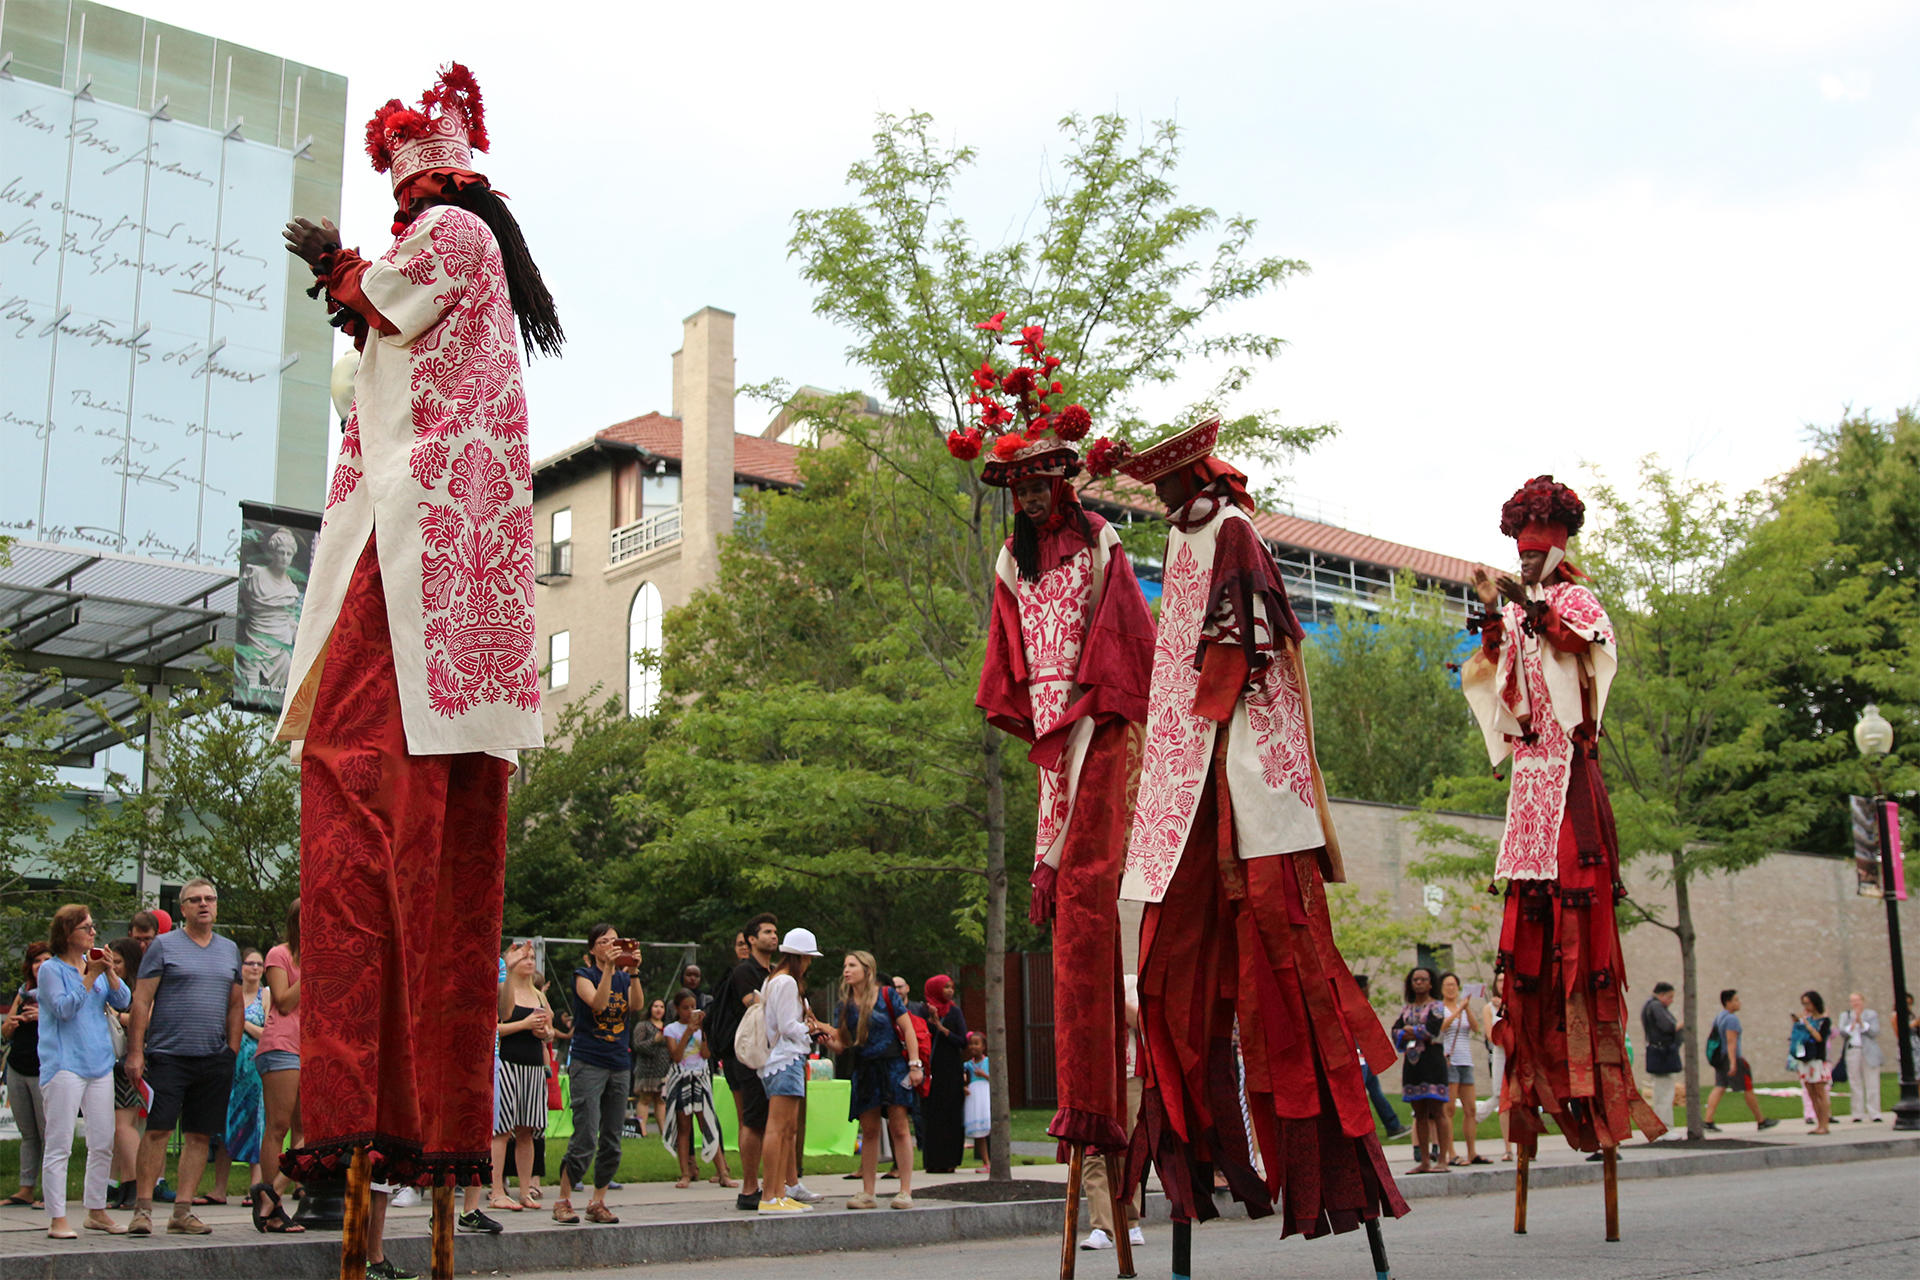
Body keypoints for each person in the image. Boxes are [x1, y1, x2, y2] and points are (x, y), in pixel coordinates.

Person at [278, 62, 560, 1280]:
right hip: (420, 577)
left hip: (422, 579)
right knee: (402, 869)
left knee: (379, 846)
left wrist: (341, 267)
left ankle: (386, 1157)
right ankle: (392, 1165)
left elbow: (383, 303)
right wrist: (350, 293)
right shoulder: (467, 257)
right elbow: (381, 332)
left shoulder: (448, 235)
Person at [1094, 417, 1407, 1240]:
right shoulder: (1185, 542)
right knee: (1176, 967)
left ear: (1193, 479)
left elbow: (1241, 644)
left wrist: (1206, 714)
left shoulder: (1231, 533)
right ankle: (1201, 1161)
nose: (1159, 500)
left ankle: (1323, 1170)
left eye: (1165, 486)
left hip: (1236, 762)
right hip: (1188, 764)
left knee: (1280, 941)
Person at [969, 386, 1155, 1167]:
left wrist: (1093, 697)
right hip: (1048, 719)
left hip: (1095, 706)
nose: (1033, 495)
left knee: (1094, 856)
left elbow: (1124, 627)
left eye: (1043, 482)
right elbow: (1008, 636)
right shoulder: (1013, 557)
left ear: (1065, 482)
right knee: (1054, 842)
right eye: (1021, 485)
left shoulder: (1103, 541)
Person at [1461, 475, 1666, 1162]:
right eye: (1518, 553)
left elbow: (1584, 644)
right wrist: (1495, 615)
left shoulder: (1575, 599)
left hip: (1570, 781)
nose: (1523, 562)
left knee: (1579, 936)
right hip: (1529, 781)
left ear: (1553, 548)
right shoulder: (1521, 610)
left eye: (1531, 552)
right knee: (1528, 942)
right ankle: (1533, 1079)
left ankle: (1595, 1090)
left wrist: (1531, 609)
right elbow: (1497, 671)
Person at [125, 878, 243, 1237]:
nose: (203, 905)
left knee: (199, 1135)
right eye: (195, 900)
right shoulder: (163, 946)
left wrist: (232, 1051)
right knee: (158, 1130)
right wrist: (135, 1052)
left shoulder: (229, 950)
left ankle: (183, 1211)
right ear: (183, 908)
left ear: (217, 905)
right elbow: (142, 1000)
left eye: (209, 899)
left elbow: (236, 1004)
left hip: (212, 1057)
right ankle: (143, 1209)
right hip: (167, 1055)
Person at [37, 903, 133, 1238]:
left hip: (99, 1063)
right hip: (64, 1064)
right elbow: (63, 1009)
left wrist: (108, 972)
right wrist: (90, 977)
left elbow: (123, 1001)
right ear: (67, 933)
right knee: (60, 1143)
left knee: (103, 1141)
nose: (93, 932)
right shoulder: (51, 970)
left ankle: (96, 1210)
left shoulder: (92, 965)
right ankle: (57, 1218)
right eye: (86, 928)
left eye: (93, 926)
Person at [556, 926, 640, 1224]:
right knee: (585, 1135)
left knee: (612, 1138)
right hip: (588, 1061)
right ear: (593, 949)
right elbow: (599, 1004)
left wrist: (633, 972)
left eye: (613, 941)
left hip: (618, 1062)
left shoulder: (623, 976)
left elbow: (637, 1005)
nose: (609, 946)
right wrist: (607, 970)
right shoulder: (584, 975)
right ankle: (564, 1199)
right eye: (603, 942)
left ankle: (598, 1200)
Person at [822, 952, 919, 1210]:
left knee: (899, 1127)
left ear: (867, 969)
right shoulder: (844, 1005)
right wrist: (828, 1041)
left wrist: (914, 1064)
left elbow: (908, 1029)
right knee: (870, 1130)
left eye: (852, 965)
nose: (846, 970)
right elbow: (842, 1043)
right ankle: (868, 1192)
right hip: (864, 1069)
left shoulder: (887, 995)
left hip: (893, 1066)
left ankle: (905, 1190)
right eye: (844, 965)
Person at [707, 913, 778, 1212]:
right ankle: (750, 1188)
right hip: (746, 1055)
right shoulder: (744, 972)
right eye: (767, 932)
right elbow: (758, 1005)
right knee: (751, 1119)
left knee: (772, 1121)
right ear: (752, 939)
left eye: (776, 931)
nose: (774, 936)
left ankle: (777, 1186)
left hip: (770, 1054)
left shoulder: (774, 971)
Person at [756, 928, 824, 1213]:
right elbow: (787, 1026)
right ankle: (770, 1196)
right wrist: (810, 1028)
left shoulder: (776, 980)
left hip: (785, 1059)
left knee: (786, 1130)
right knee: (778, 1128)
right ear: (801, 957)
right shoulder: (786, 983)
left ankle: (778, 1192)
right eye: (808, 957)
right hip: (784, 1058)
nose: (809, 963)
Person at [1082, 975, 1147, 1251]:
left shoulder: (1128, 982)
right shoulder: (1080, 981)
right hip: (1093, 1079)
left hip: (1128, 1077)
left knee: (1127, 1151)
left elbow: (1142, 1023)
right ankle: (1102, 1228)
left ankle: (1131, 1223)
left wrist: (1113, 995)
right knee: (1093, 1154)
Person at [253, 899, 304, 1232]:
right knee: (279, 1126)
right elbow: (283, 1001)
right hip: (283, 1046)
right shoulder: (279, 954)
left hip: (312, 1048)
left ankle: (271, 1193)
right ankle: (271, 1208)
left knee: (313, 1131)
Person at [492, 943, 553, 1212]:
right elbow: (493, 1028)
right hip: (507, 1063)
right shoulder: (505, 991)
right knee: (502, 1130)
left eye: (531, 957)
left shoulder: (539, 994)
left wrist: (544, 1033)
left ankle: (525, 1190)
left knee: (527, 1131)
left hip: (533, 1066)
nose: (529, 961)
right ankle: (496, 1190)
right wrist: (524, 1025)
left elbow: (550, 1030)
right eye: (523, 957)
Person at [662, 988, 730, 1189]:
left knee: (707, 1123)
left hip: (700, 1077)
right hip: (682, 1078)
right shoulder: (671, 1030)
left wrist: (705, 1032)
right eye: (685, 1008)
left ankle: (723, 1172)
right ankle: (685, 1173)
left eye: (693, 1007)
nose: (690, 1011)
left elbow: (706, 1054)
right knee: (684, 1127)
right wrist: (689, 1032)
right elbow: (676, 1055)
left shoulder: (702, 1029)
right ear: (677, 1008)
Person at [3, 942, 52, 1210]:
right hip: (17, 1066)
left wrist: (41, 1017)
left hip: (43, 1067)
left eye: (46, 960)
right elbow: (6, 1033)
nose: (41, 965)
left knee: (48, 1132)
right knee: (28, 1133)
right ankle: (25, 1188)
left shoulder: (56, 992)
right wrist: (11, 1024)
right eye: (36, 961)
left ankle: (49, 1191)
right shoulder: (23, 993)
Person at [217, 950, 267, 1206]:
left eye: (260, 964)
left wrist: (243, 1023)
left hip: (255, 1071)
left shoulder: (265, 996)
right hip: (230, 1068)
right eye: (250, 963)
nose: (255, 968)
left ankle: (255, 1186)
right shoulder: (231, 994)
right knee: (226, 1122)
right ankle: (218, 1188)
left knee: (255, 1124)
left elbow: (268, 1032)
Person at [1392, 968, 1450, 1175]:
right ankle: (1424, 1161)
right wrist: (1411, 1032)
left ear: (1431, 983)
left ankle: (1443, 1159)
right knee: (1420, 1113)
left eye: (1423, 979)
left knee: (1438, 1111)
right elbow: (1395, 1031)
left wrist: (1411, 1031)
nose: (1419, 983)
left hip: (1433, 1063)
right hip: (1413, 1065)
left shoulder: (1437, 1006)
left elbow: (1432, 1030)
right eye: (1415, 979)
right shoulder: (1406, 1009)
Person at [235, 525, 304, 693]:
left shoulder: (291, 589)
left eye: (288, 554)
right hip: (257, 639)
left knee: (282, 691)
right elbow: (241, 603)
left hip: (282, 645)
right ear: (273, 552)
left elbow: (290, 620)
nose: (284, 558)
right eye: (281, 552)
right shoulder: (254, 575)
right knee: (250, 689)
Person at [105, 938, 145, 1209]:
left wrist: (116, 1016)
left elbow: (146, 1017)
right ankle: (122, 1183)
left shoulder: (138, 988)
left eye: (118, 962)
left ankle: (134, 1183)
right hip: (112, 1061)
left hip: (130, 1059)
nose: (114, 967)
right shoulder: (108, 986)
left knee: (123, 1125)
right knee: (116, 1128)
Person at [1704, 990, 1777, 1132]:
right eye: (1736, 1000)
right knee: (1747, 1087)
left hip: (1720, 1058)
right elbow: (1731, 1042)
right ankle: (1761, 1120)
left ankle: (1708, 1120)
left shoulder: (1719, 1017)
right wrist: (1733, 1063)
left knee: (1720, 1086)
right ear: (1728, 1002)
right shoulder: (1732, 1019)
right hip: (1732, 1058)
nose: (1739, 1003)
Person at [919, 975, 970, 1173]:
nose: (949, 991)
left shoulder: (954, 1012)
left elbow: (963, 1041)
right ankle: (933, 1160)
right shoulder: (924, 1011)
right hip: (932, 1068)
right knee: (933, 1114)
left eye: (951, 987)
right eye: (945, 987)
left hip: (951, 1068)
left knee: (952, 1113)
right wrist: (932, 1021)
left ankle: (951, 1160)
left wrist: (942, 1028)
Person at [1350, 975, 1409, 1142]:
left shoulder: (1360, 1004)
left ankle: (1393, 1126)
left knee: (1375, 1091)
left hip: (1365, 1055)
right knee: (1361, 1095)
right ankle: (1361, 1129)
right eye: (1367, 986)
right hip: (1358, 1055)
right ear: (1361, 988)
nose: (1369, 989)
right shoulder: (1355, 1005)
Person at [1438, 973, 1487, 1166]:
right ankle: (1451, 1153)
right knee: (1449, 1109)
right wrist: (1458, 1012)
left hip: (1466, 1060)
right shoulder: (1440, 1008)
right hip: (1449, 1061)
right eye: (1447, 985)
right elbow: (1442, 1027)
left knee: (1471, 1109)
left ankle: (1472, 1151)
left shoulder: (1463, 1007)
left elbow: (1475, 1028)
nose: (1451, 988)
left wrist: (1466, 1010)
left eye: (1453, 985)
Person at [1640, 982, 1683, 1139]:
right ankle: (1665, 1128)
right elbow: (1667, 1027)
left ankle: (1659, 1127)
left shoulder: (1650, 1006)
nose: (1671, 1001)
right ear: (1662, 995)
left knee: (1660, 1093)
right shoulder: (1656, 1007)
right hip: (1662, 1055)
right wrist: (1681, 1026)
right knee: (1665, 1093)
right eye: (1670, 997)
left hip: (1658, 1054)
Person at [1837, 992, 1882, 1123]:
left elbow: (1874, 1031)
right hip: (1853, 1050)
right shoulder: (1846, 1015)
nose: (1855, 1003)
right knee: (1855, 1082)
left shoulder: (1871, 1014)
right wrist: (1852, 1024)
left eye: (1857, 1000)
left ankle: (1875, 1112)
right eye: (1852, 1001)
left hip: (1868, 1051)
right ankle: (1857, 1113)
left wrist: (1861, 1022)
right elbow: (1843, 1032)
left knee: (1872, 1082)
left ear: (1863, 1001)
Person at [630, 998, 671, 1138]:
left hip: (664, 1070)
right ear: (650, 1009)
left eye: (661, 1006)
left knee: (661, 1100)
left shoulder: (667, 1026)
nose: (659, 1009)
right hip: (646, 1070)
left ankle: (664, 1132)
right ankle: (642, 1130)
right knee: (645, 1099)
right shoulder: (643, 1025)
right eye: (655, 1006)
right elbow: (637, 1045)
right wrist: (655, 1040)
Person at [1794, 991, 1833, 1135]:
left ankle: (1824, 1124)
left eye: (1808, 1003)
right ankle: (1818, 1123)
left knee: (1820, 1092)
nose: (1806, 1006)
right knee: (1810, 1092)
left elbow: (1820, 1038)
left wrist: (1807, 1025)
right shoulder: (1806, 1019)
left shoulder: (1824, 1021)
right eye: (1804, 1003)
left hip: (1818, 1059)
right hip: (1805, 1059)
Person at [962, 1032, 992, 1168]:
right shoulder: (967, 1065)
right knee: (979, 1131)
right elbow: (962, 1078)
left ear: (984, 1046)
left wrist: (984, 1075)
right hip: (974, 1096)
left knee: (988, 1125)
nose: (973, 1047)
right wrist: (964, 1086)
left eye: (976, 1043)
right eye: (971, 1043)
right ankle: (986, 1162)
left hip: (985, 1094)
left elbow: (996, 1079)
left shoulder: (988, 1062)